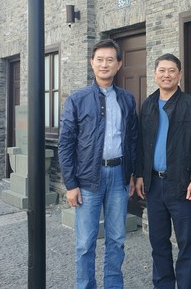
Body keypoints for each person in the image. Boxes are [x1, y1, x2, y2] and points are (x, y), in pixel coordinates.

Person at [58, 39, 138, 289]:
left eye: (110, 60)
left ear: (119, 64)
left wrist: (132, 174)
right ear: (92, 63)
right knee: (85, 243)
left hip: (118, 176)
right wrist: (71, 184)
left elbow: (133, 140)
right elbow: (65, 143)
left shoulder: (127, 99)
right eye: (100, 59)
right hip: (88, 180)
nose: (105, 64)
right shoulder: (77, 99)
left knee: (117, 239)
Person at [135, 53, 191, 289]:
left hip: (182, 184)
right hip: (154, 185)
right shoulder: (148, 104)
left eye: (172, 70)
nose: (167, 75)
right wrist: (140, 175)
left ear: (180, 74)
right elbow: (141, 143)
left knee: (186, 243)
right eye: (162, 70)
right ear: (155, 74)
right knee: (158, 241)